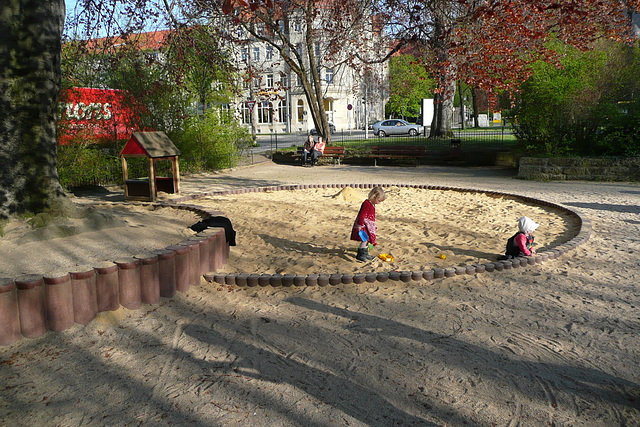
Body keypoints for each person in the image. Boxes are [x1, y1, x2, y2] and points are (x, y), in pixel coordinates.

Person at [350, 186, 386, 261]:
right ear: (374, 197)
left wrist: (374, 225)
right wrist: (359, 224)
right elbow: (362, 215)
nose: (379, 203)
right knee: (364, 239)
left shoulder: (372, 204)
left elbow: (371, 216)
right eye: (379, 201)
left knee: (368, 239)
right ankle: (361, 254)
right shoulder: (366, 203)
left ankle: (365, 253)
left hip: (368, 225)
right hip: (363, 225)